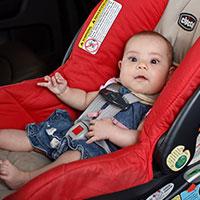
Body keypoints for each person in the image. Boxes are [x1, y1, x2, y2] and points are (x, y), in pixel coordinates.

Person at [0, 31, 173, 190]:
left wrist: (112, 132)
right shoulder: (112, 86)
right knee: (37, 133)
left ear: (169, 74)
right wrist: (64, 91)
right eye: (133, 59)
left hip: (95, 149)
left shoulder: (152, 107)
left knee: (73, 157)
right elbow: (84, 100)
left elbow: (139, 139)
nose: (142, 66)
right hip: (71, 131)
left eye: (154, 61)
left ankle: (26, 179)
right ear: (121, 66)